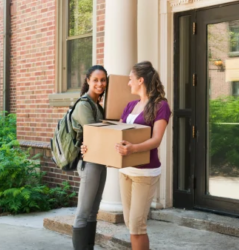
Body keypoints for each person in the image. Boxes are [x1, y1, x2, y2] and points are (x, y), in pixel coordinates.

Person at [81, 61, 171, 250]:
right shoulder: (130, 106)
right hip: (126, 170)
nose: (128, 83)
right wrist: (90, 148)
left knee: (137, 227)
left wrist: (133, 149)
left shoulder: (160, 106)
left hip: (146, 172)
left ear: (140, 80)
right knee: (131, 225)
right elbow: (116, 134)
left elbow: (156, 140)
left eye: (130, 79)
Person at [71, 65, 108, 250]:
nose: (100, 84)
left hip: (100, 161)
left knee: (93, 212)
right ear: (88, 81)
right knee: (83, 213)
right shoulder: (84, 105)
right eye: (95, 80)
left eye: (103, 80)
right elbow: (94, 135)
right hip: (89, 163)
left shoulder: (98, 106)